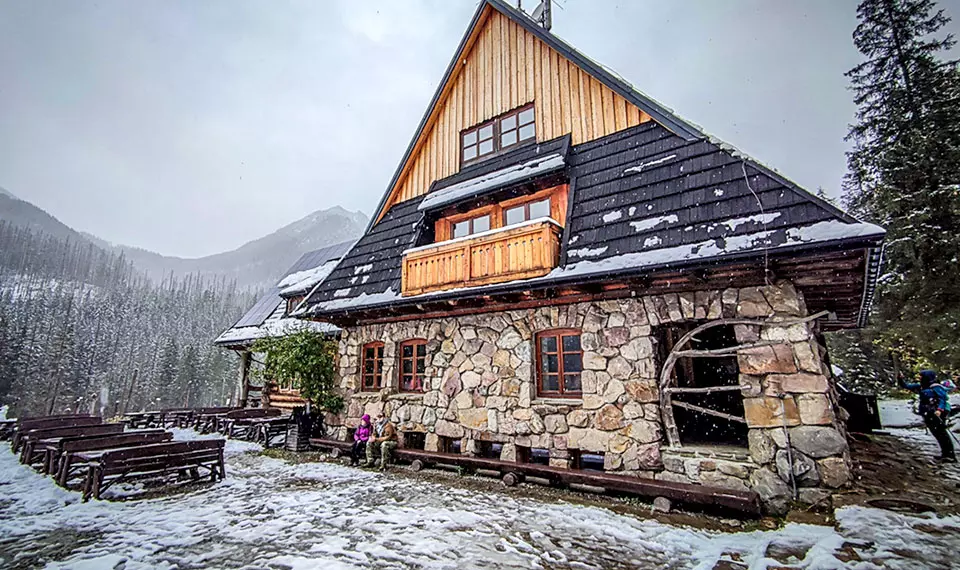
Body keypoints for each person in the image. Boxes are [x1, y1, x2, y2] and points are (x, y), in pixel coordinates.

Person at [902, 370, 956, 462]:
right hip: (929, 413)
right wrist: (900, 379)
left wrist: (939, 410)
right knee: (937, 434)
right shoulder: (921, 386)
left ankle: (950, 455)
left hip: (938, 413)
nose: (920, 378)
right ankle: (945, 454)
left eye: (921, 376)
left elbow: (942, 399)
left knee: (941, 433)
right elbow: (906, 386)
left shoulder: (936, 387)